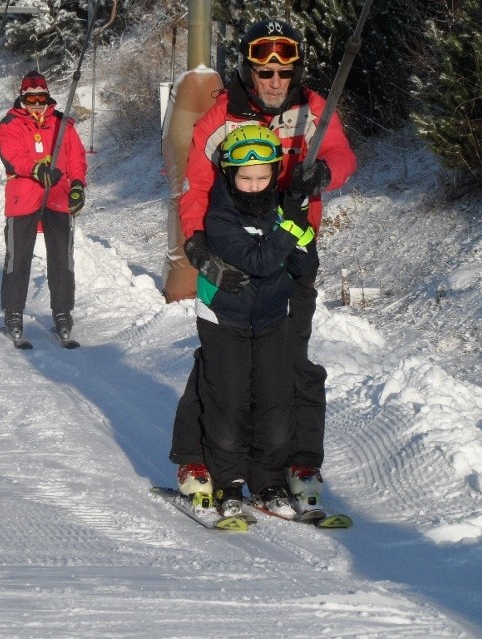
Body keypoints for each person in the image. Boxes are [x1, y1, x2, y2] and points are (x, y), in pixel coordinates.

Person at [171, 18, 357, 515]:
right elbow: (196, 188)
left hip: (292, 252)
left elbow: (341, 153)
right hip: (229, 257)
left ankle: (294, 462)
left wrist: (325, 172)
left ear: (295, 73)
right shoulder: (219, 119)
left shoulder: (312, 108)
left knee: (291, 363)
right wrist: (196, 248)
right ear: (249, 72)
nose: (275, 82)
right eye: (264, 72)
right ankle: (197, 459)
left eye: (284, 72)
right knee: (219, 369)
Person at [180, 124, 318, 518]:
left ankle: (269, 479)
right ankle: (228, 480)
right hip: (225, 317)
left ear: (275, 173)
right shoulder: (220, 218)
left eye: (263, 176)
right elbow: (258, 263)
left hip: (273, 316)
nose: (255, 185)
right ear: (229, 174)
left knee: (275, 400)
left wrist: (302, 235)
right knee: (230, 402)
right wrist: (290, 227)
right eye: (245, 177)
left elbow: (304, 266)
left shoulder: (280, 209)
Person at [0, 71, 87, 342]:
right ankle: (13, 313)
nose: (37, 103)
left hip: (57, 195)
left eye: (41, 97)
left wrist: (78, 185)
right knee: (18, 257)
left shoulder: (62, 123)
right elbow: (12, 156)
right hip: (24, 196)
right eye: (31, 98)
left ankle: (62, 313)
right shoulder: (11, 123)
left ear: (48, 97)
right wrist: (36, 169)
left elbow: (76, 158)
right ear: (23, 98)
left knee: (61, 257)